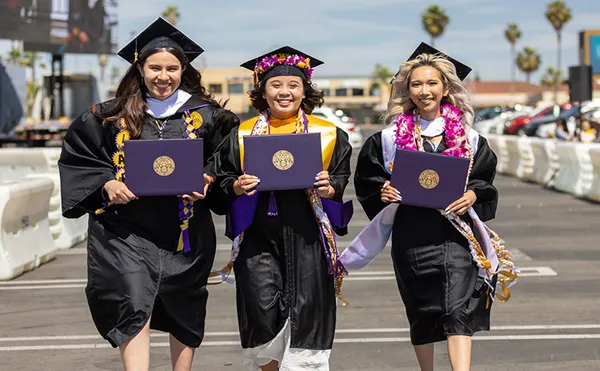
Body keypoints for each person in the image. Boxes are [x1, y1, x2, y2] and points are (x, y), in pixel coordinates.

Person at [58, 17, 239, 371]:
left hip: (183, 231)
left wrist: (209, 180)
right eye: (154, 67)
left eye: (172, 68)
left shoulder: (209, 117)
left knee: (184, 302)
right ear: (140, 68)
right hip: (125, 230)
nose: (163, 76)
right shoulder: (108, 115)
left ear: (183, 69)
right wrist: (106, 183)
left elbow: (227, 162)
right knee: (131, 298)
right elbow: (81, 158)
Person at [341, 42, 518, 371]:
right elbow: (368, 180)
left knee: (458, 308)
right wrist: (384, 190)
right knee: (421, 308)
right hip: (412, 233)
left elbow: (483, 179)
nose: (425, 91)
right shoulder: (388, 139)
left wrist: (473, 196)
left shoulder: (468, 137)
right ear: (407, 90)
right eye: (417, 84)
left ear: (446, 88)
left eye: (432, 82)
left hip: (456, 233)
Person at [209, 46, 353, 371]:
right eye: (276, 85)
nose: (284, 92)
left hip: (309, 238)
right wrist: (235, 185)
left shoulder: (328, 134)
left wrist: (330, 188)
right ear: (262, 90)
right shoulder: (242, 135)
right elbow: (221, 179)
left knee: (308, 316)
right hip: (258, 237)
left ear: (305, 90)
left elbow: (341, 180)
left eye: (293, 85)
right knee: (260, 312)